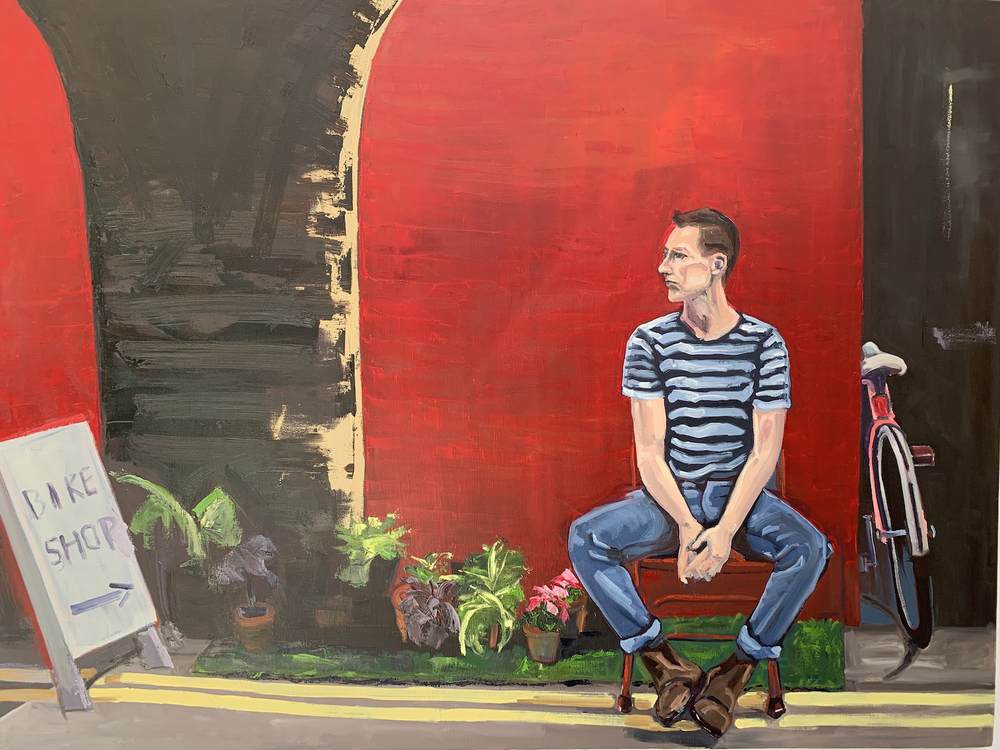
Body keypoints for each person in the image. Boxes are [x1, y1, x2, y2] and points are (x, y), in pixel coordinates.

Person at [568, 207, 832, 737]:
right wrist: (689, 526)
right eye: (666, 255)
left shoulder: (764, 342)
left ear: (716, 264)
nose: (663, 266)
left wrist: (726, 530)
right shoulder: (649, 341)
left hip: (743, 500)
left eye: (677, 255)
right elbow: (649, 452)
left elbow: (764, 453)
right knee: (586, 537)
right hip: (670, 499)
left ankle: (734, 674)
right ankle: (667, 667)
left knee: (810, 548)